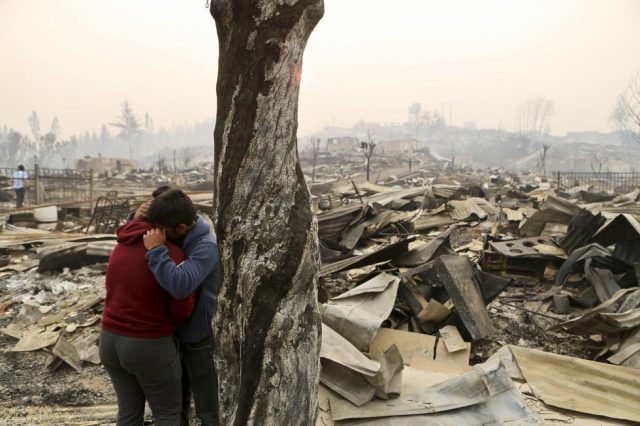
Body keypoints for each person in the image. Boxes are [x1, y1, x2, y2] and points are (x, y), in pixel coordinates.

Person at [100, 219, 195, 425]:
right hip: (149, 344)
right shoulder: (171, 255)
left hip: (109, 341)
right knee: (167, 412)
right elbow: (182, 310)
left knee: (128, 411)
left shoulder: (122, 244)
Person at [142, 189, 220, 426]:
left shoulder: (206, 246)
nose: (157, 233)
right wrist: (133, 219)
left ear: (182, 228)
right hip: (174, 333)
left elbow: (180, 284)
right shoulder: (177, 232)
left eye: (162, 229)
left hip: (199, 336)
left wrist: (156, 251)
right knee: (177, 401)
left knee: (208, 406)